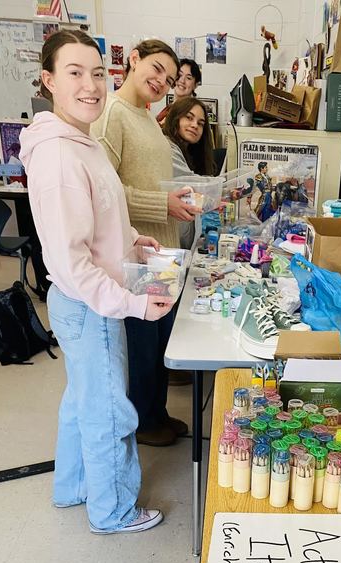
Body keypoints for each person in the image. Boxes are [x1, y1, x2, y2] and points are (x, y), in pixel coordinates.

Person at [19, 29, 175, 533]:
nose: (90, 85)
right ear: (49, 81)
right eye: (74, 73)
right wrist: (131, 305)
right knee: (109, 409)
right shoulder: (60, 156)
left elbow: (101, 213)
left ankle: (72, 487)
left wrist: (133, 239)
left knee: (81, 401)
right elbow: (72, 262)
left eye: (95, 73)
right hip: (91, 304)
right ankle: (113, 511)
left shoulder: (80, 141)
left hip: (88, 299)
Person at [92, 39, 200, 447]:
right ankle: (142, 420)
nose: (161, 81)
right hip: (139, 252)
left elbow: (152, 180)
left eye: (169, 79)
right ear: (133, 60)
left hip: (165, 250)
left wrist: (181, 197)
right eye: (155, 69)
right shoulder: (112, 115)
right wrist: (163, 203)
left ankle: (157, 412)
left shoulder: (146, 116)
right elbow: (106, 190)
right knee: (141, 341)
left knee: (160, 338)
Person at [163, 96, 215, 249]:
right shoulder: (168, 147)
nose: (195, 126)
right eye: (189, 118)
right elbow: (191, 182)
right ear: (176, 118)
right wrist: (224, 186)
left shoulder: (186, 151)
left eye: (200, 123)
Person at [156, 58, 202, 125]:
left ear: (195, 85)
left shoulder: (191, 112)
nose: (182, 81)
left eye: (188, 78)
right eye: (180, 75)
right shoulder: (171, 107)